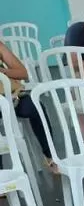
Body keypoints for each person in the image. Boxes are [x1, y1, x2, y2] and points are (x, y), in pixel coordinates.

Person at [0, 38, 52, 168]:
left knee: (35, 107)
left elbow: (23, 73)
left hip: (12, 95)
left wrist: (3, 72)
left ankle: (50, 156)